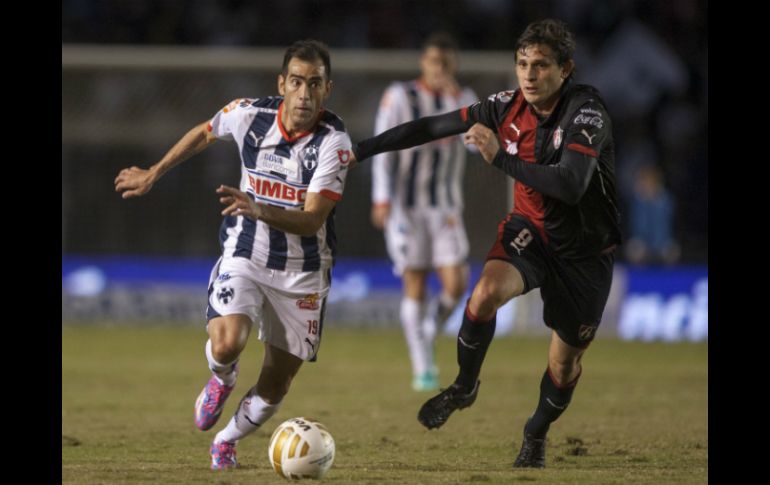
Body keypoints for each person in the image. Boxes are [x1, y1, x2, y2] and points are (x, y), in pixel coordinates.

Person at [353, 19, 621, 468]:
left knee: (563, 366)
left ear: (565, 69)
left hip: (585, 253)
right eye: (522, 65)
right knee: (484, 294)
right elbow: (430, 127)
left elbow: (572, 185)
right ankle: (463, 386)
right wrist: (360, 150)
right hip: (530, 232)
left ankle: (535, 433)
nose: (529, 75)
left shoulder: (587, 113)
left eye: (540, 66)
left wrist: (502, 158)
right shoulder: (503, 106)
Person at [114, 40, 353, 470]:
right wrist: (154, 172)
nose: (304, 94)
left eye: (314, 84)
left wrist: (259, 207)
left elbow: (313, 219)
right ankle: (222, 379)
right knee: (227, 344)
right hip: (246, 252)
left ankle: (225, 440)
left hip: (303, 273)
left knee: (276, 384)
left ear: (327, 89)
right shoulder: (250, 115)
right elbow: (205, 132)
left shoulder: (334, 144)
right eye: (296, 82)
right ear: (282, 84)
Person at [370, 33, 478, 392]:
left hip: (446, 207)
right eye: (434, 62)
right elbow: (383, 146)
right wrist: (381, 198)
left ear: (454, 65)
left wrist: (455, 99)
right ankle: (423, 366)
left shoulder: (464, 99)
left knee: (457, 282)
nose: (440, 68)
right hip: (406, 207)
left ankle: (429, 329)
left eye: (446, 63)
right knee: (414, 281)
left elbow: (477, 146)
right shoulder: (400, 96)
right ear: (423, 62)